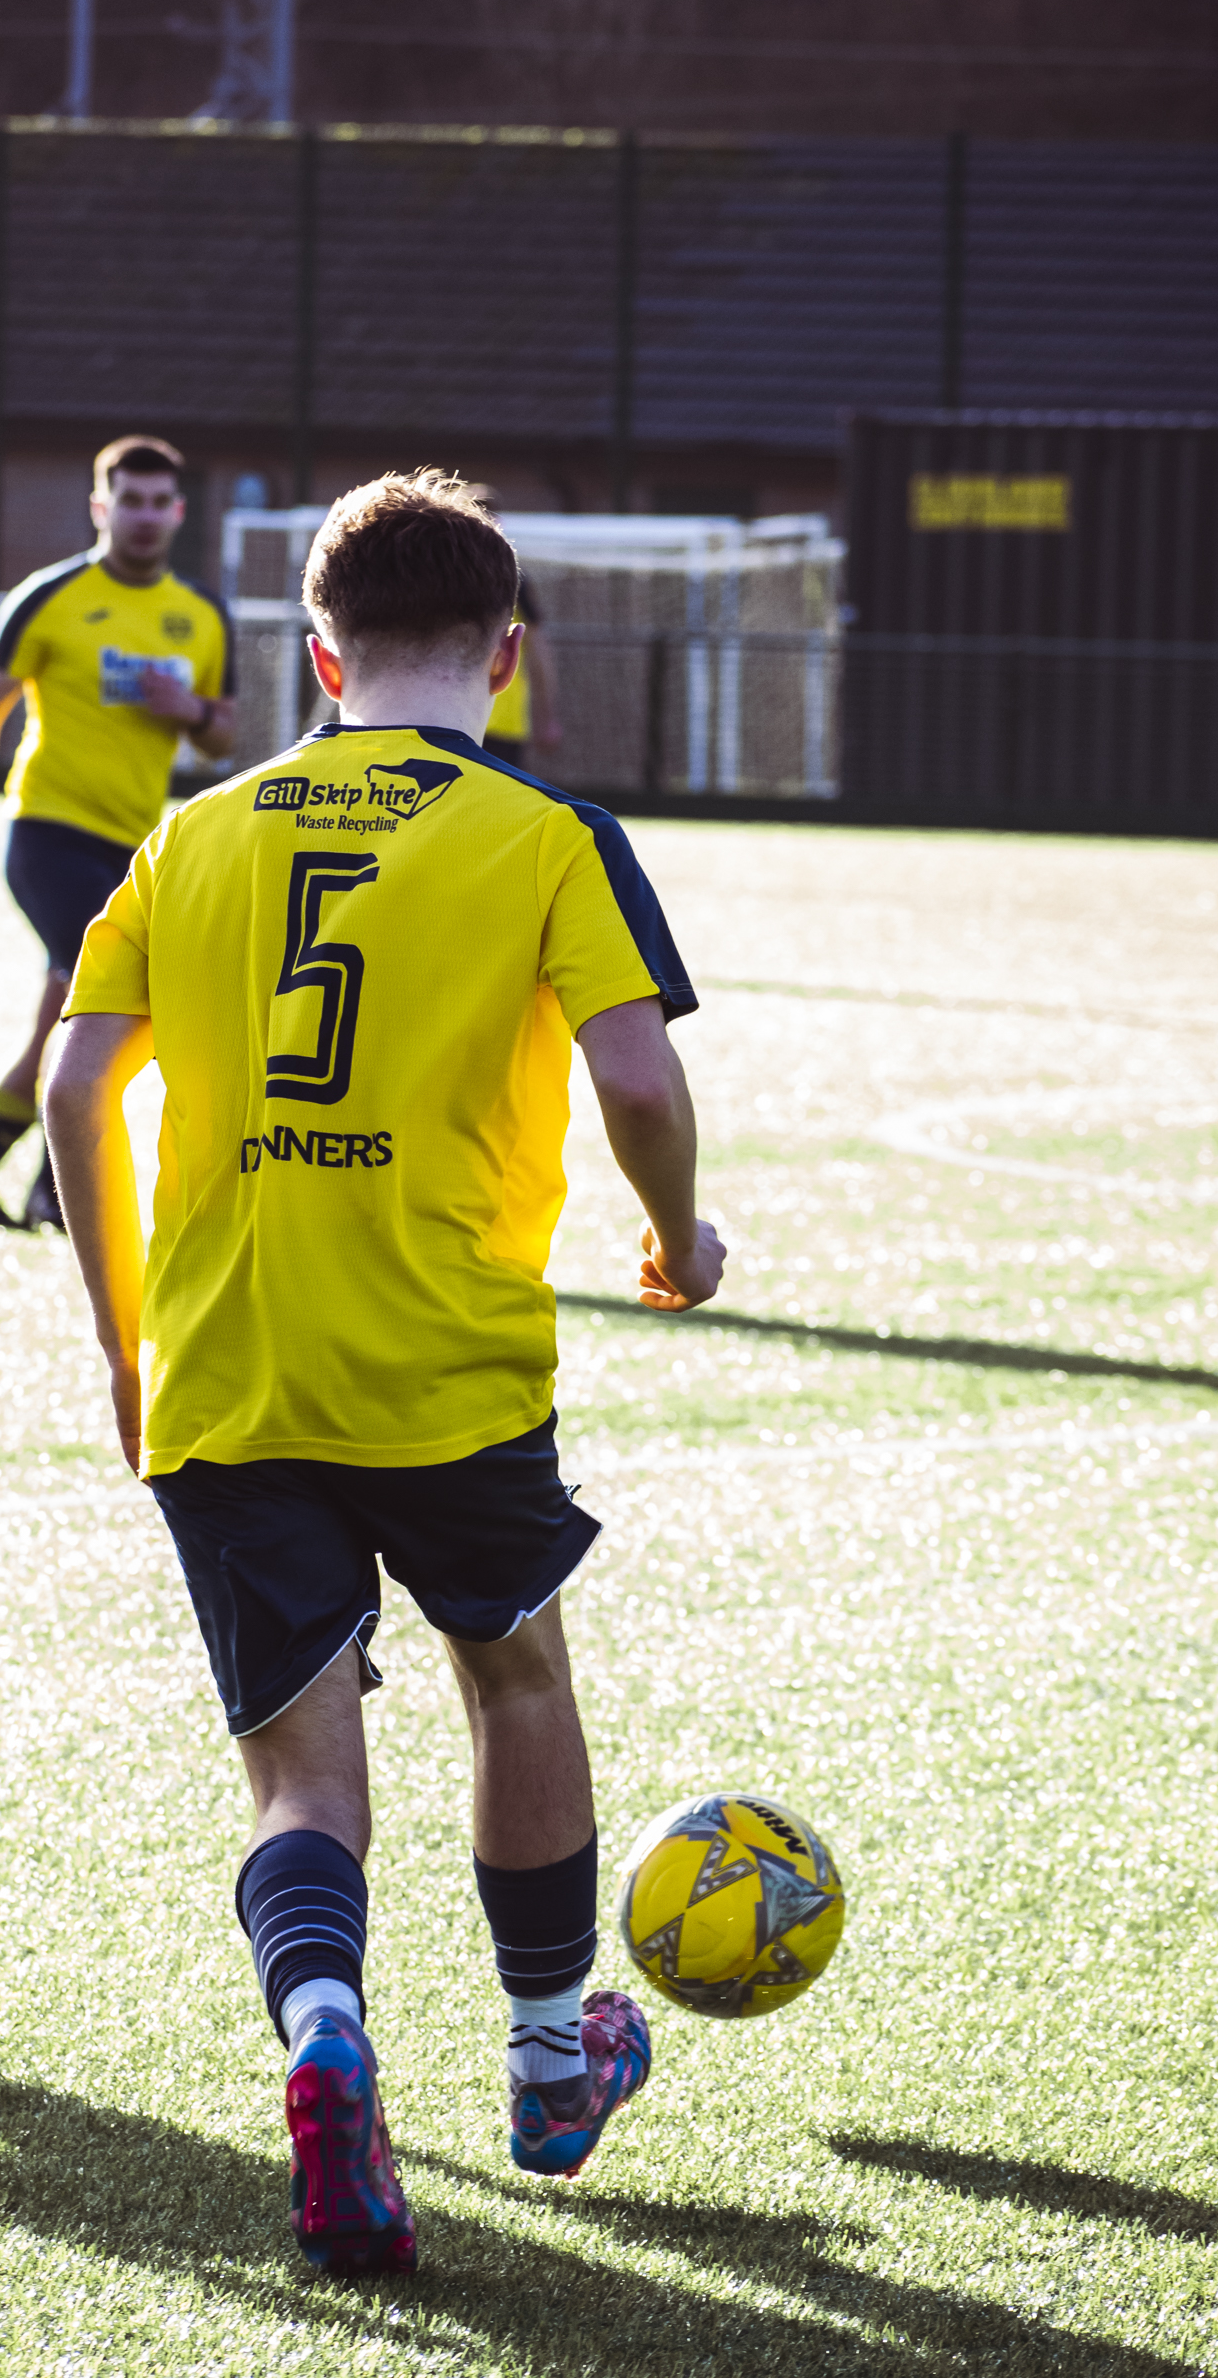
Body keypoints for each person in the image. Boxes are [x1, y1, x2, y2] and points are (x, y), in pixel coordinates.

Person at [43, 471, 725, 2276]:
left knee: (300, 1776)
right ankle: (541, 2061)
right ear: (504, 657)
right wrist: (681, 1232)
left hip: (226, 1359)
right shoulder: (547, 835)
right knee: (510, 1682)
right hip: (443, 1362)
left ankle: (328, 2032)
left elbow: (67, 1089)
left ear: (315, 655)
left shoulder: (194, 832)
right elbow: (640, 1086)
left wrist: (125, 1343)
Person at [0, 436, 236, 1233]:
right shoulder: (51, 595)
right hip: (46, 832)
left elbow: (225, 734)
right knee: (98, 998)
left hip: (134, 849)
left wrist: (193, 715)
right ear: (101, 507)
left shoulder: (203, 614)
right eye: (126, 501)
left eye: (157, 503)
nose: (142, 517)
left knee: (67, 1016)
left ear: (177, 512)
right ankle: (44, 1190)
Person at [481, 568, 563, 773]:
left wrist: (547, 717)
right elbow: (540, 656)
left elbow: (539, 656)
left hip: (499, 723)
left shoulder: (515, 584)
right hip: (476, 721)